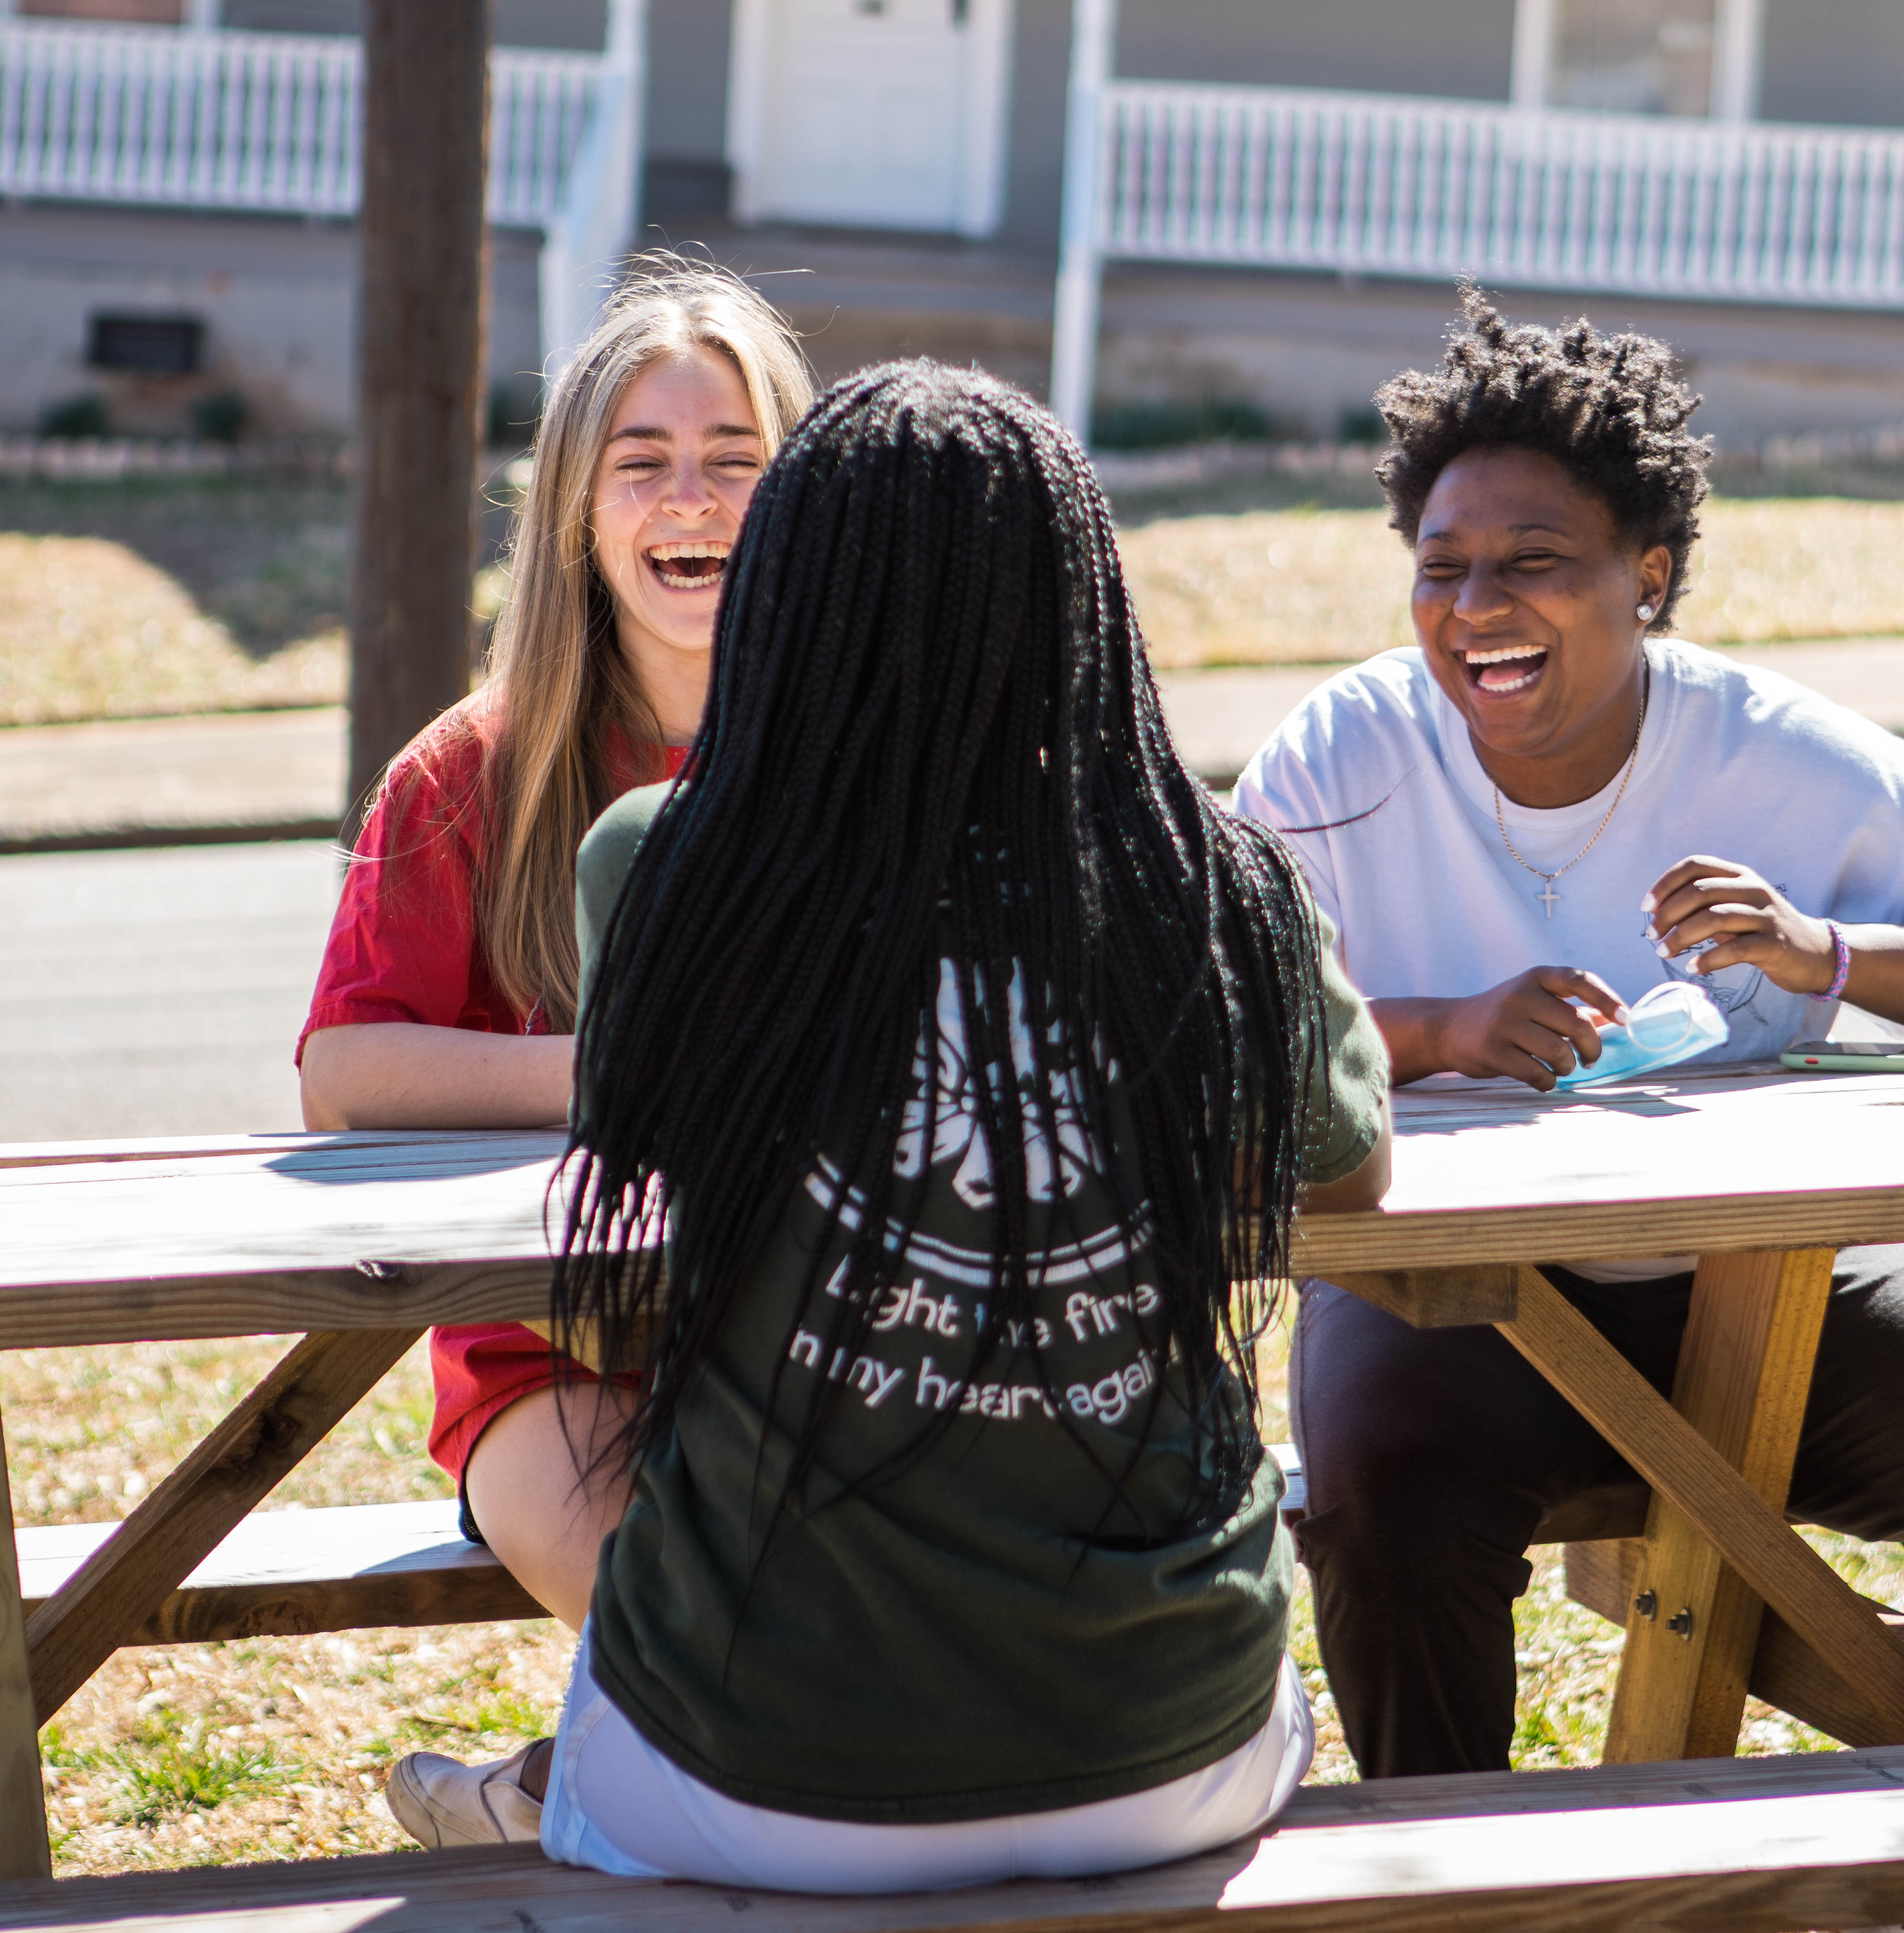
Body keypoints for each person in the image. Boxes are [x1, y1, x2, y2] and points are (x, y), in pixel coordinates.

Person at [1231, 293, 1904, 1784]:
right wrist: (1441, 1030)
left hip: (1770, 1284)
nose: (1475, 610)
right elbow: (1213, 1031)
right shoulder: (1342, 756)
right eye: (1440, 569)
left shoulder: (1778, 757)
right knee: (1385, 1508)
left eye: (1534, 564)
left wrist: (1824, 952)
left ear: (1646, 576)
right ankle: (1448, 1888)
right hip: (1451, 1301)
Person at [531, 361, 1393, 1891]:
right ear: (1086, 609)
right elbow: (1349, 1162)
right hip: (1176, 1753)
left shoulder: (659, 865)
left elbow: (646, 1160)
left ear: (786, 596)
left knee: (577, 1769)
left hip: (765, 1768)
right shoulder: (1214, 884)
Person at [291, 256, 814, 1845]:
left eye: (736, 459)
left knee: (883, 1636)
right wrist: (623, 1079)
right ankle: (559, 1799)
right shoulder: (475, 767)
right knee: (744, 1649)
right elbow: (346, 1071)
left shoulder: (867, 750)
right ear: (578, 508)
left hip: (817, 1334)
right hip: (550, 1362)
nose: (691, 499)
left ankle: (534, 1796)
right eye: (642, 464)